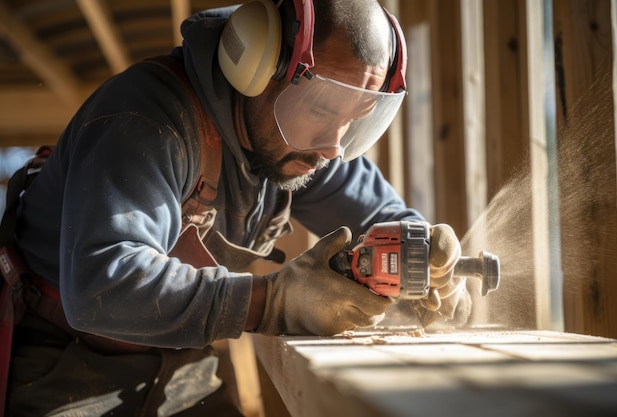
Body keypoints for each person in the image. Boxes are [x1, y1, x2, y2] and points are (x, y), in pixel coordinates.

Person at [4, 0, 471, 415]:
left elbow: (377, 217)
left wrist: (423, 254)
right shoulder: (144, 119)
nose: (334, 147)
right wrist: (276, 301)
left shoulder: (306, 139)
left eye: (354, 119)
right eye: (324, 109)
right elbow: (103, 285)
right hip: (66, 364)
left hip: (181, 359)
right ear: (253, 62)